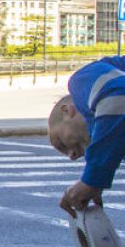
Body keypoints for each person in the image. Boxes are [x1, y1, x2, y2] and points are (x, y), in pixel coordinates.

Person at [48, 56, 125, 217]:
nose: (72, 156)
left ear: (67, 111)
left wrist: (92, 180)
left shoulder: (81, 80)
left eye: (62, 144)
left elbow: (119, 97)